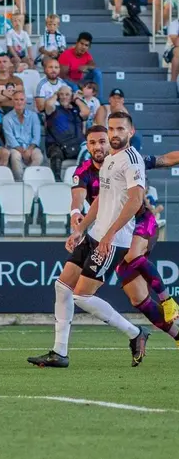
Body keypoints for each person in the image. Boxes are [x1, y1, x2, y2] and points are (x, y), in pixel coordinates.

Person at [28, 113, 155, 368]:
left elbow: (135, 200)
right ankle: (59, 353)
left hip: (114, 239)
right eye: (111, 128)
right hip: (96, 234)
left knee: (81, 296)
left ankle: (135, 333)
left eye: (120, 128)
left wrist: (108, 234)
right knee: (62, 286)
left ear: (131, 131)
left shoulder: (132, 161)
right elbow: (99, 200)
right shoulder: (110, 160)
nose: (114, 133)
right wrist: (81, 229)